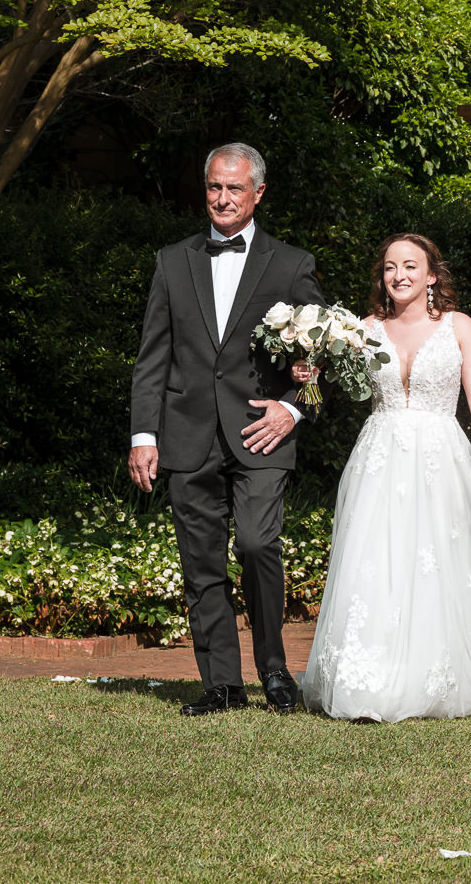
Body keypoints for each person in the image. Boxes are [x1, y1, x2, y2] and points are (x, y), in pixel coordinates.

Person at [300, 234, 471, 722]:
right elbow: (325, 380)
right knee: (380, 561)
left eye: (410, 265)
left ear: (432, 275)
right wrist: (308, 370)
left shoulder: (459, 327)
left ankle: (449, 671)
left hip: (441, 457)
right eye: (390, 267)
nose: (399, 275)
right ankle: (374, 677)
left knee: (445, 559)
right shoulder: (362, 329)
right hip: (380, 457)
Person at [129, 143, 325, 715]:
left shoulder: (291, 264)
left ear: (257, 193)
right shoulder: (172, 261)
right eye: (214, 186)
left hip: (262, 432)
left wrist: (293, 408)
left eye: (234, 188)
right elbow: (152, 358)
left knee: (259, 544)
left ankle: (274, 670)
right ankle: (221, 685)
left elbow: (319, 358)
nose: (222, 198)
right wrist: (145, 435)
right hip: (187, 435)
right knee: (201, 560)